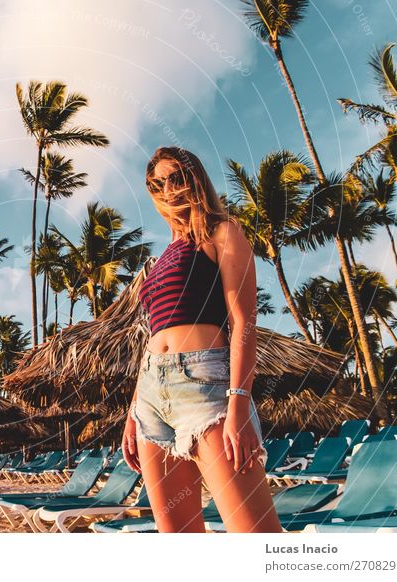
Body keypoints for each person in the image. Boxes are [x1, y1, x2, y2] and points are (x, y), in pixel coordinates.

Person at [122, 146, 281, 533]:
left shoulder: (222, 232)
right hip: (150, 398)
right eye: (155, 183)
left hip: (203, 386)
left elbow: (243, 322)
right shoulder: (160, 259)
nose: (166, 188)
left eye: (174, 176)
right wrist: (132, 411)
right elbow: (153, 336)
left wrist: (239, 404)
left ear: (194, 177)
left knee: (255, 535)